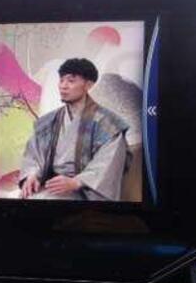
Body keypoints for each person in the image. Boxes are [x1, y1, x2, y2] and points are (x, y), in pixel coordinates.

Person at [19, 58, 129, 201]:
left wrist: (76, 182)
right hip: (51, 184)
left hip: (84, 191)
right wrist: (32, 174)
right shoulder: (49, 121)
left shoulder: (108, 124)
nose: (63, 86)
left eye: (71, 81)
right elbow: (34, 155)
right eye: (61, 80)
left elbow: (108, 163)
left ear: (88, 85)